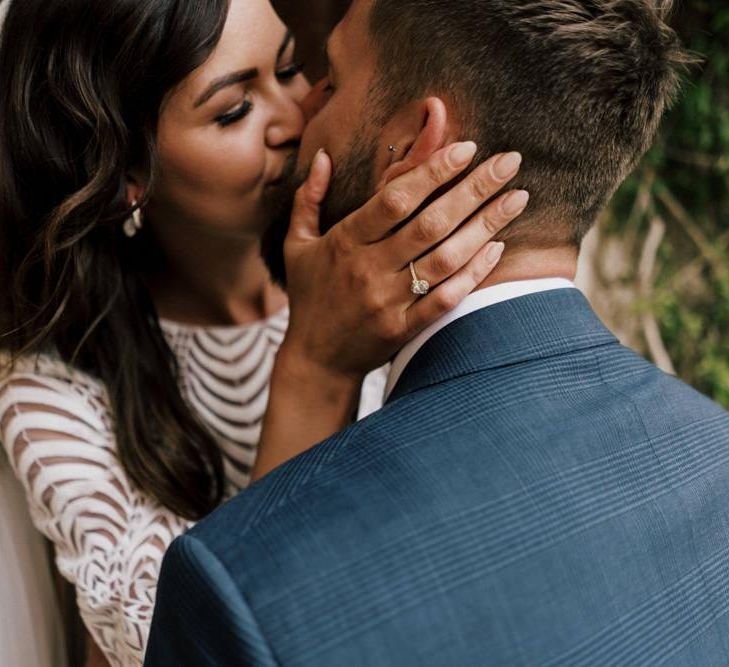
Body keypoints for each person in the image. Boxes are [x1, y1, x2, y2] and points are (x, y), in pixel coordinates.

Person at [145, 0, 729, 665]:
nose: (302, 113)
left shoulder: (241, 588)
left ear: (414, 144)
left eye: (329, 78)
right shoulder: (716, 448)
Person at [0, 0, 527, 665]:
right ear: (125, 176)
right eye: (232, 111)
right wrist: (314, 366)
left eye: (290, 68)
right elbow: (180, 648)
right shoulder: (53, 389)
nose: (293, 118)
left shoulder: (392, 258)